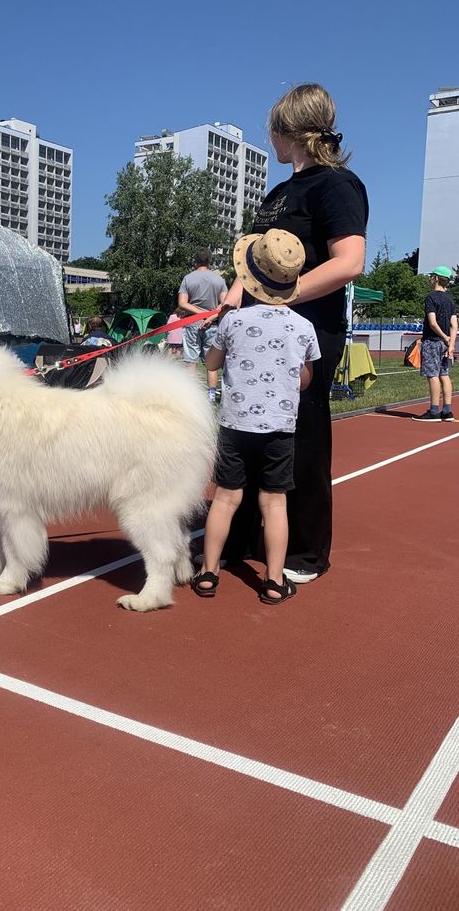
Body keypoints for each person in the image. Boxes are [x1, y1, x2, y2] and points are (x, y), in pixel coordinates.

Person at [219, 84, 367, 584]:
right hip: (258, 328)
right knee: (244, 425)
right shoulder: (279, 193)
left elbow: (349, 263)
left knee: (299, 431)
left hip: (309, 330)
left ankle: (305, 550)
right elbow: (259, 257)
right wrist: (237, 287)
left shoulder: (337, 186)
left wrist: (280, 296)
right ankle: (242, 537)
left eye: (273, 130)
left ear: (292, 132)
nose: (270, 140)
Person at [191, 229, 320, 604]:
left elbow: (211, 361)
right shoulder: (303, 326)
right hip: (279, 428)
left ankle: (208, 573)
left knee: (226, 497)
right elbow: (305, 380)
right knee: (274, 503)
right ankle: (275, 580)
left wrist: (223, 328)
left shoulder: (233, 322)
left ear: (250, 276)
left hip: (235, 425)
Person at [178, 250, 228, 401]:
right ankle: (211, 395)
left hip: (191, 323)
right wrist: (210, 315)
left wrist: (200, 313)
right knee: (210, 362)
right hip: (212, 325)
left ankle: (191, 395)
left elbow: (182, 303)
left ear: (195, 261)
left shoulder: (188, 279)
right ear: (210, 261)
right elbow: (225, 303)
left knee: (191, 361)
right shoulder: (218, 280)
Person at [412, 266, 457, 422]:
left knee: (433, 375)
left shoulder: (431, 298)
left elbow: (432, 323)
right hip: (445, 344)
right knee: (444, 374)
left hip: (432, 341)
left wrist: (444, 337)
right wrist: (450, 344)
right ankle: (447, 410)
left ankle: (434, 410)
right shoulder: (450, 301)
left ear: (436, 278)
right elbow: (454, 325)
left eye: (431, 276)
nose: (430, 279)